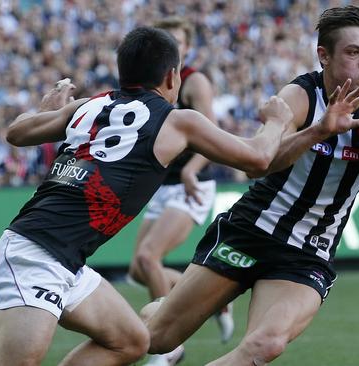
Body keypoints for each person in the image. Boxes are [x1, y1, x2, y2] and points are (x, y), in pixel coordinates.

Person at [141, 5, 359, 366]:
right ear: (324, 56)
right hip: (252, 230)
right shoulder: (300, 96)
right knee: (157, 339)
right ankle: (160, 310)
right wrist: (318, 130)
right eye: (353, 53)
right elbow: (260, 164)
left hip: (307, 254)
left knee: (265, 345)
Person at [0, 26, 292, 366]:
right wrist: (277, 121)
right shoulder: (178, 121)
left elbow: (17, 132)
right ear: (171, 76)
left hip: (65, 259)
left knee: (131, 341)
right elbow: (259, 158)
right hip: (37, 254)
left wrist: (43, 111)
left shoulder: (90, 105)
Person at [126, 18, 234, 358]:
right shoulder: (150, 83)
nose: (172, 47)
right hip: (161, 186)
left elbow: (212, 132)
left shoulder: (193, 81)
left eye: (178, 41)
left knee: (148, 257)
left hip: (191, 185)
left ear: (187, 48)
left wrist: (191, 169)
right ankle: (214, 300)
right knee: (137, 270)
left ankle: (168, 348)